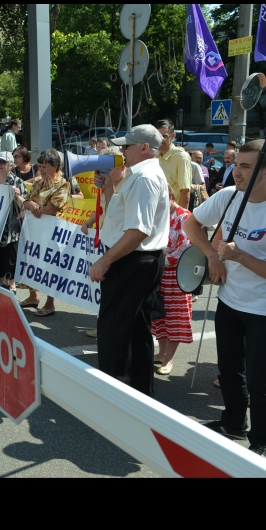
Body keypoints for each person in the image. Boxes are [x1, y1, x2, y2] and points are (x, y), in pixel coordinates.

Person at [184, 140, 266, 458]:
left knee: (259, 380)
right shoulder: (227, 197)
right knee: (229, 370)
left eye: (246, 166)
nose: (236, 172)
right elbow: (190, 223)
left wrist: (239, 256)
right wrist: (212, 254)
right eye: (237, 164)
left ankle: (262, 440)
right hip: (228, 302)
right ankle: (233, 423)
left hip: (264, 309)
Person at [90, 125, 169, 397]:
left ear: (144, 148)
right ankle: (139, 394)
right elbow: (119, 217)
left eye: (127, 146)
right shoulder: (138, 176)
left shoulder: (144, 178)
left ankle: (117, 396)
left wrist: (105, 261)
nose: (122, 151)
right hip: (136, 260)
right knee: (135, 330)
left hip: (132, 261)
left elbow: (138, 231)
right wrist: (110, 186)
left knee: (114, 331)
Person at [78, 145, 126, 339]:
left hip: (121, 247)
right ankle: (105, 328)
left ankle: (112, 331)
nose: (102, 173)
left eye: (107, 169)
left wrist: (107, 188)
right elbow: (102, 209)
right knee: (107, 291)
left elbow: (117, 214)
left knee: (116, 293)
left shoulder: (126, 186)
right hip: (109, 242)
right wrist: (89, 221)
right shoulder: (109, 185)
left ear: (122, 167)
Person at [18, 148, 71, 317]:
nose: (41, 170)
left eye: (45, 166)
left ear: (55, 166)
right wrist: (29, 204)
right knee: (32, 261)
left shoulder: (63, 184)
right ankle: (33, 296)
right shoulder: (39, 181)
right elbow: (27, 200)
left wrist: (34, 207)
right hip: (34, 228)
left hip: (52, 231)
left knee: (50, 266)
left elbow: (54, 208)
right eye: (40, 166)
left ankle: (50, 303)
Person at [152, 188, 194, 376]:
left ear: (170, 196)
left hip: (177, 274)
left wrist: (162, 262)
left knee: (175, 316)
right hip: (158, 271)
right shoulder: (158, 215)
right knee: (159, 312)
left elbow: (184, 247)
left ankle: (169, 358)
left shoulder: (185, 216)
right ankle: (161, 352)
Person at [0, 151, 26, 292]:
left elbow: (25, 206)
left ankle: (11, 285)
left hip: (10, 230)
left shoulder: (18, 182)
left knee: (11, 259)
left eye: (3, 162)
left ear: (11, 165)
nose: (0, 164)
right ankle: (5, 283)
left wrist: (18, 197)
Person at [154, 119, 191, 210]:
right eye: (157, 136)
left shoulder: (181, 157)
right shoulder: (155, 157)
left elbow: (185, 193)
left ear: (173, 136)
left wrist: (179, 220)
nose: (160, 140)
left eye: (165, 137)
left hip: (171, 217)